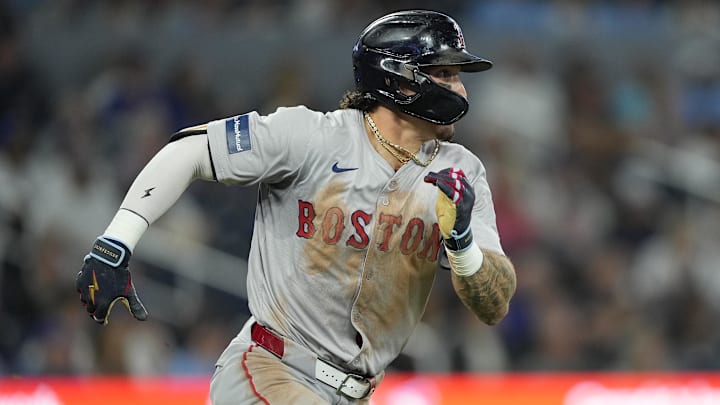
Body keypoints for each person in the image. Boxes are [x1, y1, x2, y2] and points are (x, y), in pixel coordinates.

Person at [75, 9, 517, 404]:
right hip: (271, 367)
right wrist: (116, 243)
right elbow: (190, 150)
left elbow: (494, 304)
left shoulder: (463, 172)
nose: (458, 86)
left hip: (356, 392)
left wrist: (462, 246)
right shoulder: (312, 136)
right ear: (399, 79)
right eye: (443, 72)